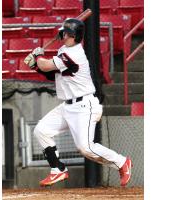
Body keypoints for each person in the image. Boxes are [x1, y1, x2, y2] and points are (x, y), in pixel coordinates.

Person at [24, 18, 132, 187]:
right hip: (68, 105)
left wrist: (38, 57)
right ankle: (57, 169)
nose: (63, 34)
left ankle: (121, 162)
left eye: (66, 32)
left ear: (74, 36)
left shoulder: (74, 54)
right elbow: (53, 74)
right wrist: (36, 66)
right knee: (41, 131)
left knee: (85, 148)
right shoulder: (64, 49)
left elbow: (46, 66)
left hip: (84, 106)